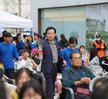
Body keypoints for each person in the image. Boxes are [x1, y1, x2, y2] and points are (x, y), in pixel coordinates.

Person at [41, 26, 66, 99]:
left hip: (55, 67)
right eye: (48, 33)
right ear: (46, 34)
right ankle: (50, 97)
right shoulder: (43, 43)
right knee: (49, 84)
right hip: (47, 67)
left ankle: (49, 96)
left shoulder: (57, 43)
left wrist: (62, 60)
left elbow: (58, 54)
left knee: (52, 85)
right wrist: (40, 53)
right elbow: (40, 55)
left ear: (55, 34)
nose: (50, 35)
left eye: (52, 33)